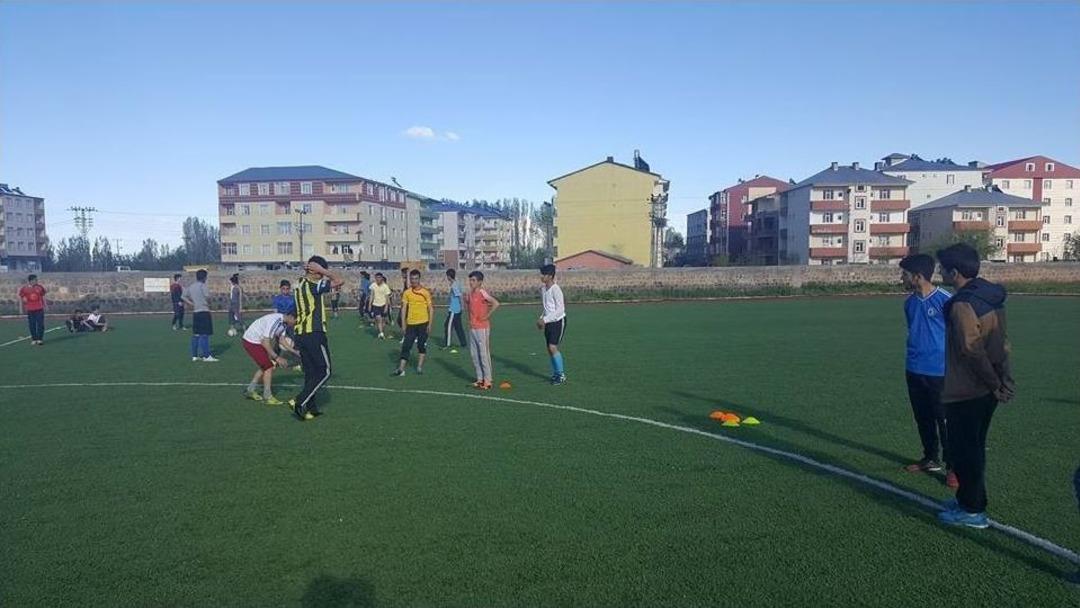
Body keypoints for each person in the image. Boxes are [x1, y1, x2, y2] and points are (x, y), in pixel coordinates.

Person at [935, 243, 1014, 529]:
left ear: (954, 272)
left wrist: (994, 383)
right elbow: (1002, 343)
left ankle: (972, 510)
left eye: (942, 268)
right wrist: (1004, 379)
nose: (939, 272)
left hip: (967, 390)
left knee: (965, 450)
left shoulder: (962, 304)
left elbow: (971, 349)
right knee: (973, 447)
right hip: (986, 387)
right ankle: (967, 499)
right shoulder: (991, 296)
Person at [899, 254, 956, 489]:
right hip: (913, 369)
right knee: (922, 417)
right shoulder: (909, 303)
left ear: (918, 276)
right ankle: (930, 458)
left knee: (944, 420)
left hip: (939, 371)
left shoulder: (946, 301)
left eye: (904, 274)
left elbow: (957, 334)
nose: (901, 278)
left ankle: (953, 466)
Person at [289, 256, 344, 421]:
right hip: (314, 332)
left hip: (301, 334)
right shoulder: (313, 284)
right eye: (320, 272)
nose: (322, 276)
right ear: (314, 270)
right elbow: (339, 281)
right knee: (325, 371)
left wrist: (316, 269)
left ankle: (311, 408)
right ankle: (299, 401)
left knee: (311, 373)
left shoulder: (299, 283)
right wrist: (322, 270)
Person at [241, 310, 298, 405]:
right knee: (269, 367)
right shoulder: (276, 320)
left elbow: (282, 340)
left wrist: (295, 352)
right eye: (296, 320)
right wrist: (277, 358)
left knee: (265, 365)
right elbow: (265, 342)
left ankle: (250, 390)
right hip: (251, 341)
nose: (296, 323)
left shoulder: (284, 323)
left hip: (257, 342)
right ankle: (267, 397)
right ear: (291, 317)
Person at [391, 269, 433, 377]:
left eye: (416, 279)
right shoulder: (407, 293)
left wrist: (430, 324)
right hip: (411, 324)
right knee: (406, 346)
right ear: (409, 279)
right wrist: (404, 324)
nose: (414, 281)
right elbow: (404, 308)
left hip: (423, 323)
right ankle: (401, 369)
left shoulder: (425, 292)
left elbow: (431, 309)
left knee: (421, 345)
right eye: (412, 279)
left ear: (419, 279)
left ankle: (419, 367)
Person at [464, 270, 500, 390]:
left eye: (473, 280)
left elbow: (496, 303)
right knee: (474, 354)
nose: (471, 282)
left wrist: (486, 316)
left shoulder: (482, 293)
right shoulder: (469, 294)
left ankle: (488, 380)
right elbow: (468, 306)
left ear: (479, 282)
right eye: (470, 280)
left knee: (484, 354)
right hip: (472, 328)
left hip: (482, 328)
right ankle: (480, 379)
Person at [537, 264, 567, 384]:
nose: (541, 277)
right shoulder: (543, 289)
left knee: (552, 347)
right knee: (549, 349)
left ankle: (561, 375)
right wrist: (541, 318)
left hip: (558, 321)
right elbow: (547, 308)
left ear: (550, 276)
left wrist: (545, 320)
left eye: (543, 275)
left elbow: (560, 309)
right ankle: (556, 374)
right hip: (548, 321)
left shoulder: (556, 289)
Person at [182, 269, 217, 362]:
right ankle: (206, 356)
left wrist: (191, 303)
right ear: (204, 277)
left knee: (196, 334)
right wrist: (210, 304)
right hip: (204, 311)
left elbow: (183, 296)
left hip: (196, 312)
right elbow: (207, 297)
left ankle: (194, 356)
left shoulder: (191, 286)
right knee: (205, 334)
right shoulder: (203, 286)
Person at [18, 274, 47, 346]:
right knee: (32, 324)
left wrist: (46, 305)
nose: (36, 281)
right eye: (35, 280)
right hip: (30, 309)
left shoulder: (40, 287)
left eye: (37, 280)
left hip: (39, 308)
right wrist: (21, 309)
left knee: (40, 324)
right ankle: (34, 339)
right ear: (30, 281)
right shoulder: (24, 289)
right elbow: (21, 298)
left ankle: (40, 339)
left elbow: (43, 296)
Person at [443, 268, 468, 349]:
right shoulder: (456, 283)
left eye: (447, 276)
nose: (447, 277)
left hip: (454, 310)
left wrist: (462, 306)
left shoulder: (454, 285)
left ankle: (447, 344)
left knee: (447, 326)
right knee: (458, 327)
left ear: (449, 276)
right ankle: (463, 343)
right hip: (456, 309)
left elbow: (460, 296)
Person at [369, 272, 392, 339]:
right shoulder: (373, 285)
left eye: (379, 278)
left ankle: (381, 331)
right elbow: (372, 295)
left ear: (382, 278)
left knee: (383, 321)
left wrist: (386, 307)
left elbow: (387, 298)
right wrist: (370, 304)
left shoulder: (385, 286)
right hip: (376, 305)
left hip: (383, 305)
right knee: (378, 319)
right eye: (377, 278)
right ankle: (381, 333)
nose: (378, 279)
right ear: (375, 278)